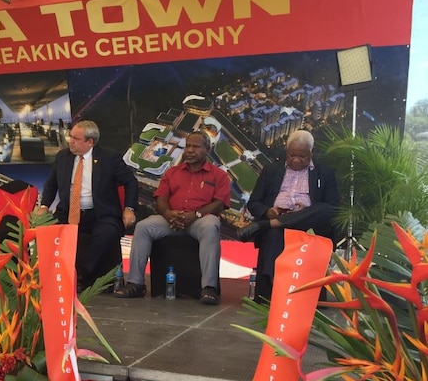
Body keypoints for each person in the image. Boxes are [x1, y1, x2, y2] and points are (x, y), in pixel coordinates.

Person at [115, 131, 230, 305]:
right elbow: (160, 198)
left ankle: (209, 288)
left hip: (199, 220)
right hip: (172, 219)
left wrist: (196, 214)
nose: (190, 150)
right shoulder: (172, 172)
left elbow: (219, 203)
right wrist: (168, 214)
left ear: (207, 149)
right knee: (143, 226)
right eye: (188, 146)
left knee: (211, 225)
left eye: (196, 147)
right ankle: (135, 283)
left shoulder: (219, 175)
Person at [238, 130, 340, 300]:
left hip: (309, 224)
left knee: (325, 209)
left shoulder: (325, 173)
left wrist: (307, 210)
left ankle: (273, 223)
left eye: (302, 156)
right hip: (277, 218)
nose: (296, 160)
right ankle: (273, 285)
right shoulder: (271, 170)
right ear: (287, 151)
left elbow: (333, 207)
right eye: (292, 155)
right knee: (273, 234)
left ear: (311, 152)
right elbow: (254, 202)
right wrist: (268, 212)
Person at [39, 120, 138, 291]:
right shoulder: (63, 157)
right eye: (71, 137)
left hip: (101, 214)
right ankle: (46, 279)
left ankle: (82, 275)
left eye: (76, 138)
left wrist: (129, 208)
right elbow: (51, 184)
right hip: (68, 212)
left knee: (107, 233)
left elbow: (131, 182)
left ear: (90, 141)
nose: (71, 141)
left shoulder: (109, 158)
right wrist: (44, 206)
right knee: (47, 230)